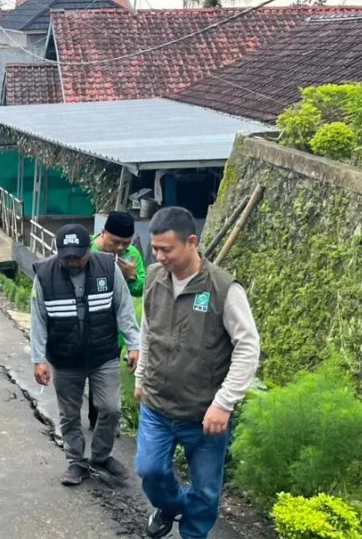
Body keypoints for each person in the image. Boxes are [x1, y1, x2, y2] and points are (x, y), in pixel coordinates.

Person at [134, 206, 260, 539]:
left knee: (205, 492)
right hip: (157, 405)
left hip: (204, 413)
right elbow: (149, 331)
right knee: (149, 469)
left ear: (192, 242)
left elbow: (248, 346)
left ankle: (192, 534)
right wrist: (140, 376)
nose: (158, 256)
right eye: (155, 248)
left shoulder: (223, 288)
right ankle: (171, 504)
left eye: (166, 249)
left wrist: (224, 402)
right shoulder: (155, 277)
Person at [30, 224, 141, 486]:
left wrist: (135, 344)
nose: (72, 261)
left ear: (88, 250)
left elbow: (124, 308)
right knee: (69, 414)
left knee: (111, 408)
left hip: (103, 355)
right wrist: (38, 359)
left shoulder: (107, 267)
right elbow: (38, 320)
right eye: (66, 256)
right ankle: (76, 462)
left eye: (77, 256)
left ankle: (101, 456)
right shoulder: (45, 274)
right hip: (65, 359)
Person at [88, 211, 146, 429]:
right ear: (103, 233)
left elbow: (141, 287)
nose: (121, 248)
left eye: (126, 243)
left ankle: (100, 422)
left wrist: (131, 276)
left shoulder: (132, 256)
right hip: (88, 325)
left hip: (115, 329)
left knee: (104, 376)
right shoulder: (87, 251)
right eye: (116, 242)